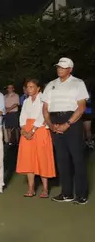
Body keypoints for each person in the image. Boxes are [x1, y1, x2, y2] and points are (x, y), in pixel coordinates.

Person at [42, 57, 90, 205]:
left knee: (77, 159)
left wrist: (67, 124)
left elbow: (81, 108)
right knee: (62, 159)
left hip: (72, 120)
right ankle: (66, 193)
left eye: (63, 67)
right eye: (58, 67)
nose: (60, 69)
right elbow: (45, 107)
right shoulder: (51, 84)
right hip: (55, 121)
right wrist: (50, 124)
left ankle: (81, 194)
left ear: (70, 69)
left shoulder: (78, 83)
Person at [16, 78, 55, 198]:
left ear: (38, 88)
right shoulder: (26, 101)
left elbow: (42, 115)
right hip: (27, 130)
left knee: (42, 158)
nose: (29, 89)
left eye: (32, 87)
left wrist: (33, 130)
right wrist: (23, 128)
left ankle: (45, 189)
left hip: (40, 130)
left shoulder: (44, 99)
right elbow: (22, 115)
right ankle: (31, 188)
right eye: (28, 87)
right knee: (28, 159)